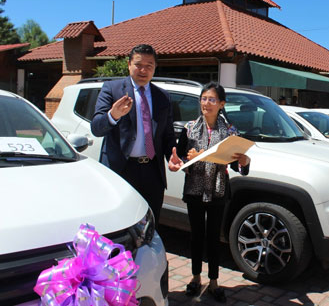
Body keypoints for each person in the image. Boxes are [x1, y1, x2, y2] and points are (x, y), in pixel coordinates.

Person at [91, 44, 182, 228]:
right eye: (138, 64)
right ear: (129, 64)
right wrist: (113, 115)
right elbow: (96, 128)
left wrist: (172, 156)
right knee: (118, 226)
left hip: (152, 172)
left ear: (155, 68)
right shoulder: (112, 89)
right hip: (121, 170)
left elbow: (167, 135)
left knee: (149, 225)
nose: (143, 70)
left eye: (149, 66)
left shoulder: (162, 97)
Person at [177, 82, 250, 303]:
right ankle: (196, 278)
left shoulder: (230, 132)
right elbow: (178, 159)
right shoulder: (188, 128)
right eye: (203, 99)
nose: (206, 103)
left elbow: (239, 166)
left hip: (218, 190)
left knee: (213, 238)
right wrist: (185, 159)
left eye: (211, 100)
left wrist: (244, 161)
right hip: (194, 190)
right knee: (196, 236)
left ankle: (214, 281)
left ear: (221, 104)